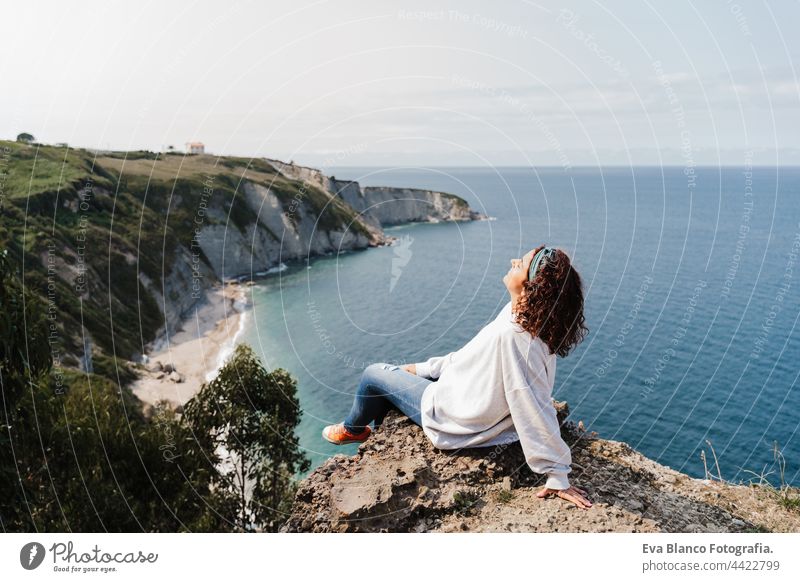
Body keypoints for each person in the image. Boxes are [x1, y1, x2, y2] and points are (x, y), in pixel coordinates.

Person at [322, 245, 592, 509]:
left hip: (452, 416)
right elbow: (466, 358)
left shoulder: (514, 336)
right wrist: (422, 369)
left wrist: (557, 474)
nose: (513, 262)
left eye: (520, 265)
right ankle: (378, 429)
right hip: (470, 403)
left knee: (373, 375)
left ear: (532, 286)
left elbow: (533, 403)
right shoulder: (525, 318)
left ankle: (353, 430)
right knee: (395, 379)